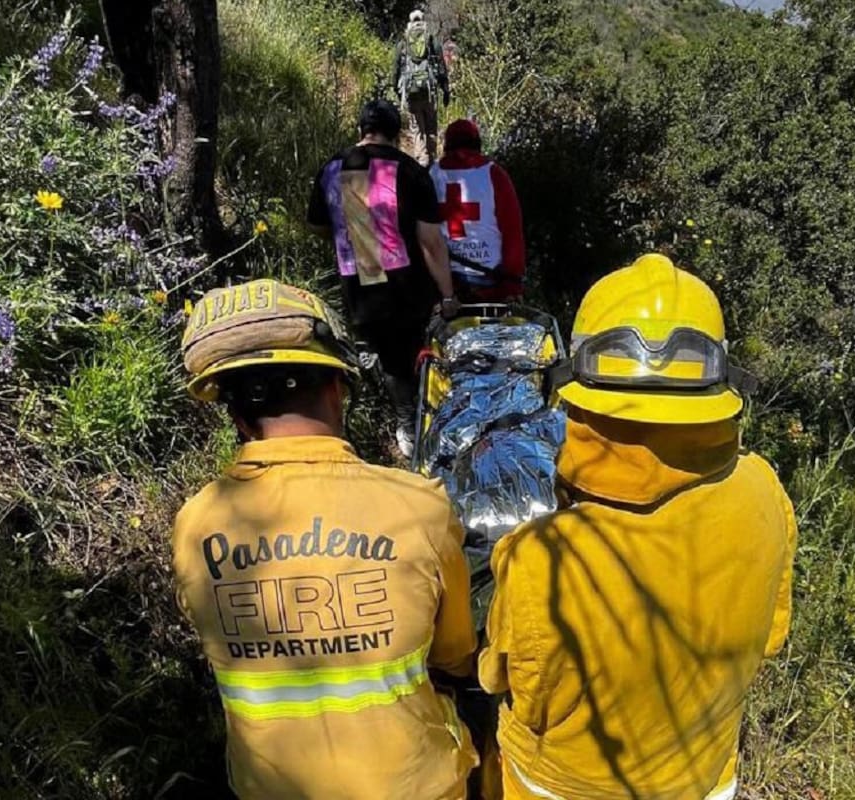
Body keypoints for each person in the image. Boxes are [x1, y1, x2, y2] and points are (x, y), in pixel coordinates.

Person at [478, 254, 797, 800]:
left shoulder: (540, 559)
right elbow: (771, 636)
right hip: (705, 778)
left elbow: (512, 690)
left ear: (579, 403)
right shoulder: (766, 491)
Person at [173, 279, 479, 800]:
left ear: (237, 415)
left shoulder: (196, 524)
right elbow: (454, 653)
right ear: (338, 388)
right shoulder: (419, 507)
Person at [307, 98, 458, 458]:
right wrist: (448, 294)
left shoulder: (332, 168)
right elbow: (431, 243)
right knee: (417, 350)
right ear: (397, 133)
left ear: (361, 130)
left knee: (390, 356)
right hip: (407, 283)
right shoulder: (408, 170)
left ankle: (406, 424)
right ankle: (424, 422)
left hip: (360, 283)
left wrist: (349, 235)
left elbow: (316, 225)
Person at [430, 119, 526, 302]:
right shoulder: (494, 174)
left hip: (447, 282)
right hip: (490, 280)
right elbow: (512, 232)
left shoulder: (432, 175)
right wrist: (513, 284)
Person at [394, 9, 449, 166]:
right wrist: (445, 90)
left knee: (417, 128)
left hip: (411, 92)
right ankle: (432, 160)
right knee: (431, 125)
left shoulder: (403, 43)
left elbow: (396, 70)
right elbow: (441, 67)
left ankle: (421, 161)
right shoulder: (431, 40)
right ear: (424, 21)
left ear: (410, 22)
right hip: (429, 92)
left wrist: (397, 91)